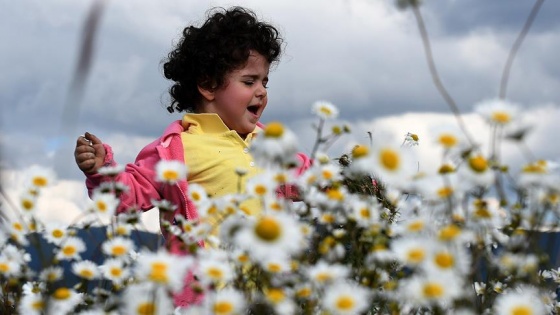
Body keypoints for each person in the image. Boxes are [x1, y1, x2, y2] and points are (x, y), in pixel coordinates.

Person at [73, 6, 310, 306]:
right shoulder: (175, 149)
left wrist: (358, 182)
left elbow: (312, 177)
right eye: (249, 82)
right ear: (208, 85)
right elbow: (130, 194)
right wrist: (101, 170)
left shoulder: (269, 144)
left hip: (270, 295)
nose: (261, 91)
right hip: (205, 299)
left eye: (265, 82)